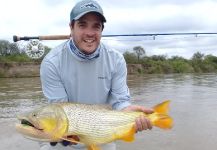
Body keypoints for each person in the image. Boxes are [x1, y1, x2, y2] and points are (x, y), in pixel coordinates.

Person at [40, 0, 153, 150]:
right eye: (82, 25)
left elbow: (120, 102)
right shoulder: (51, 63)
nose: (90, 33)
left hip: (102, 135)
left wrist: (127, 112)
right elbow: (60, 110)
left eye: (96, 26)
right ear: (71, 27)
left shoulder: (116, 60)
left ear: (101, 30)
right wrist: (63, 133)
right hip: (65, 139)